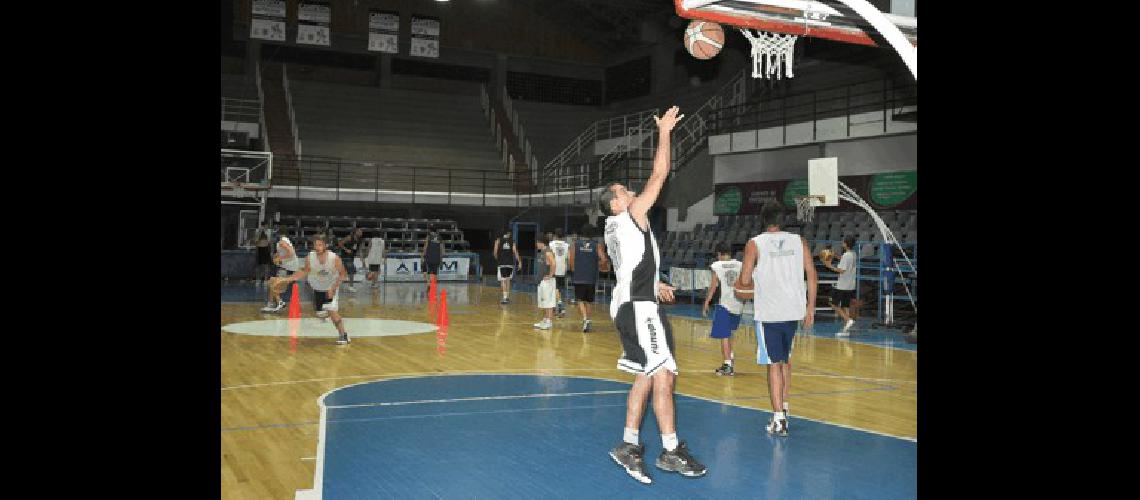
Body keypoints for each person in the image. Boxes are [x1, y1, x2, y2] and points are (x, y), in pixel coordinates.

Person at [600, 106, 706, 484]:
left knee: (648, 374)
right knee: (664, 375)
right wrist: (664, 133)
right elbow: (660, 174)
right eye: (623, 191)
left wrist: (654, 283)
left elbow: (630, 265)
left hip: (634, 301)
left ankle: (629, 444)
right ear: (615, 204)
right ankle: (671, 449)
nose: (630, 192)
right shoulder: (629, 216)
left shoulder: (616, 228)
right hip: (639, 308)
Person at [734, 202, 818, 437]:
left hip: (770, 312)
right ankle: (784, 404)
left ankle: (779, 419)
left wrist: (739, 287)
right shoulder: (799, 241)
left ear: (763, 220)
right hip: (794, 311)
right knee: (785, 360)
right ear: (784, 220)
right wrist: (810, 307)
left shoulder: (755, 243)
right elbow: (811, 273)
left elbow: (745, 279)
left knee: (773, 364)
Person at [282, 234, 351, 345]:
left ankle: (343, 335)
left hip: (330, 288)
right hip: (317, 289)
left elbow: (343, 274)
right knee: (320, 313)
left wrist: (333, 287)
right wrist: (286, 279)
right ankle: (327, 315)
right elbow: (305, 271)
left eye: (320, 245)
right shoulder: (310, 257)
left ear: (326, 245)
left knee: (332, 311)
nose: (317, 247)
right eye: (315, 244)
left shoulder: (334, 258)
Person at [702, 243, 744, 376]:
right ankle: (730, 360)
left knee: (724, 335)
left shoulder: (717, 265)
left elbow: (713, 286)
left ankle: (727, 364)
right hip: (738, 304)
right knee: (729, 333)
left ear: (719, 254)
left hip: (724, 305)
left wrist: (706, 302)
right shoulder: (740, 264)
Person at [568, 226, 607, 332]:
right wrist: (596, 264)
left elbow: (571, 260)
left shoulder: (575, 245)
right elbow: (604, 260)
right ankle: (588, 320)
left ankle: (585, 319)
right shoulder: (597, 245)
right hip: (591, 276)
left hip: (579, 276)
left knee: (580, 300)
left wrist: (573, 270)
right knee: (589, 301)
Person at [821, 236, 858, 336]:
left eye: (843, 242)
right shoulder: (853, 254)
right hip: (850, 285)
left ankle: (848, 320)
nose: (842, 243)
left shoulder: (846, 255)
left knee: (833, 304)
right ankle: (846, 329)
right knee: (845, 305)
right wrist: (836, 256)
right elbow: (845, 260)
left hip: (842, 285)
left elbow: (842, 270)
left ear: (846, 244)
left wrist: (829, 266)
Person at [262, 234, 301, 313]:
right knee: (271, 282)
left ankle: (279, 302)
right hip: (288, 267)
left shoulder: (282, 241)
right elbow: (284, 253)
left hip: (288, 268)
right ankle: (271, 304)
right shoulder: (284, 242)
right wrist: (276, 257)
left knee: (273, 283)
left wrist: (280, 258)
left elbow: (292, 253)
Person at [533, 235, 557, 330]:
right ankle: (546, 319)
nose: (536, 244)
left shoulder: (547, 251)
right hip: (542, 281)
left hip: (548, 281)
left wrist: (550, 275)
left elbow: (554, 264)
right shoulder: (541, 251)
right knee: (544, 301)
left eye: (537, 242)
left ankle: (549, 321)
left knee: (549, 302)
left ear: (541, 242)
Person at [493, 228, 521, 304]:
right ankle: (507, 296)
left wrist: (498, 258)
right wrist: (519, 262)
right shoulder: (512, 242)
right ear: (508, 233)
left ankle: (505, 297)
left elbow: (495, 252)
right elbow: (515, 252)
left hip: (502, 263)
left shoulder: (498, 241)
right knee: (508, 280)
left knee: (503, 281)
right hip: (510, 264)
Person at [549, 229, 570, 317]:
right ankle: (554, 308)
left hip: (553, 269)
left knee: (555, 288)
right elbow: (568, 258)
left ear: (555, 235)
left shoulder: (551, 244)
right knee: (557, 289)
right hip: (562, 270)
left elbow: (549, 257)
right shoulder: (566, 245)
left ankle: (561, 306)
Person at [337, 228, 362, 293]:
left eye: (361, 231)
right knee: (351, 272)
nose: (361, 232)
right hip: (345, 257)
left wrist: (360, 256)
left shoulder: (359, 240)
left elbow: (357, 249)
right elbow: (340, 243)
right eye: (359, 231)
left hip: (351, 257)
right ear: (355, 232)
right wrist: (346, 249)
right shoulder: (349, 237)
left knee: (343, 272)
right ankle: (351, 287)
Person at [421, 226, 443, 293]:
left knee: (428, 272)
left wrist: (422, 255)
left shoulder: (428, 237)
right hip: (437, 257)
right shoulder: (440, 238)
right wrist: (441, 258)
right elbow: (442, 249)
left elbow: (425, 247)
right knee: (435, 272)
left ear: (430, 231)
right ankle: (433, 286)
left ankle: (428, 285)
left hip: (429, 257)